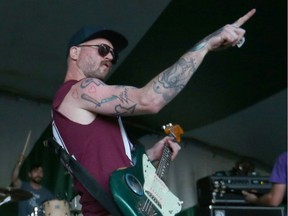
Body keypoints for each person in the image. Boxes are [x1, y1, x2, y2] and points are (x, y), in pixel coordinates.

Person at [51, 9, 256, 216]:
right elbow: (150, 100)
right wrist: (206, 45)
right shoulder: (80, 90)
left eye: (114, 54)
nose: (110, 57)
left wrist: (148, 156)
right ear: (75, 52)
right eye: (103, 49)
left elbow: (106, 167)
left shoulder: (87, 106)